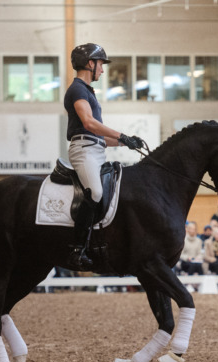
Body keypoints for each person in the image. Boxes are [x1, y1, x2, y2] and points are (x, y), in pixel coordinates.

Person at [64, 43, 145, 269]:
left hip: (95, 148)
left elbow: (98, 136)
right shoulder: (78, 90)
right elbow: (89, 123)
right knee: (96, 191)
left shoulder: (88, 92)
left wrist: (125, 142)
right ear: (90, 63)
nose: (102, 69)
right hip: (84, 151)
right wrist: (122, 135)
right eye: (100, 64)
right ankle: (77, 250)